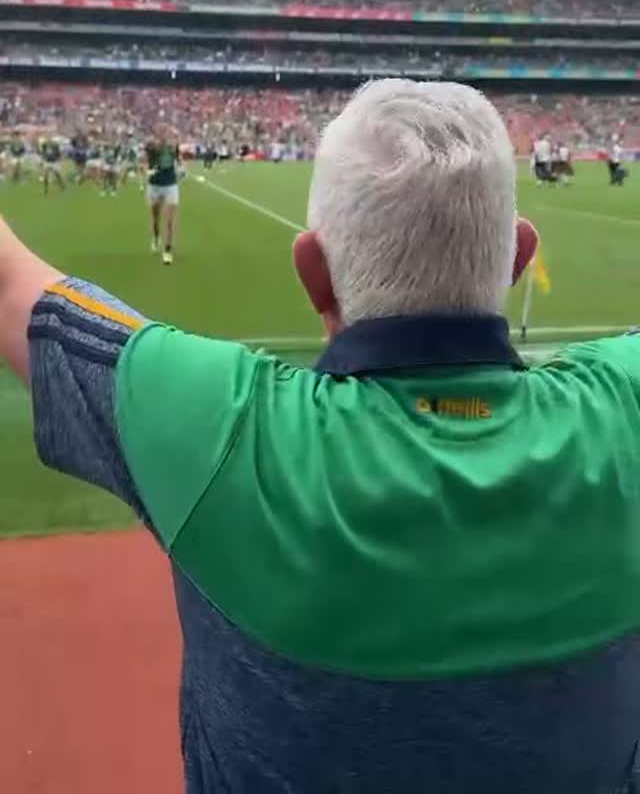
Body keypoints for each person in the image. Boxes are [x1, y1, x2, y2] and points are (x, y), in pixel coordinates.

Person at [4, 78, 640, 794]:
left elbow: (8, 284)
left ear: (313, 272)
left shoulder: (222, 425)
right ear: (518, 255)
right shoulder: (623, 411)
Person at [145, 127, 180, 265]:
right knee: (156, 217)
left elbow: (178, 158)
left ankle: (167, 250)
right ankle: (156, 237)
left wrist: (181, 167)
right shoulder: (151, 146)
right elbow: (150, 154)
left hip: (170, 185)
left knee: (169, 219)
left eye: (166, 133)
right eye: (161, 133)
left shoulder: (172, 147)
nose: (164, 136)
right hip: (154, 185)